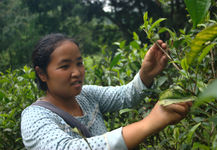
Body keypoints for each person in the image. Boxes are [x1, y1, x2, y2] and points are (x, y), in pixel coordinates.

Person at [20, 33, 192, 150]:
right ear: (42, 74)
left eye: (79, 63)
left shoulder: (86, 95)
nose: (77, 72)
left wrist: (145, 75)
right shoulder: (34, 117)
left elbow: (125, 96)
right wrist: (149, 123)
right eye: (65, 66)